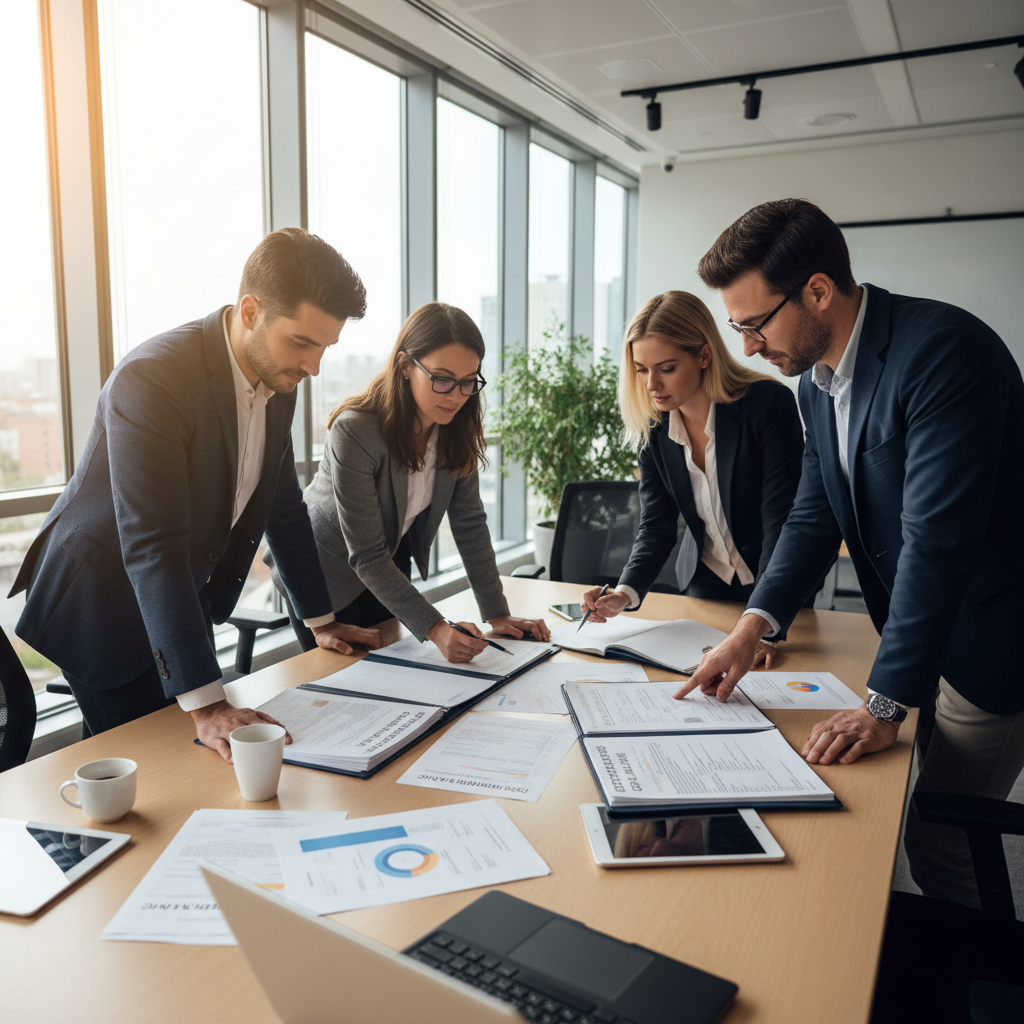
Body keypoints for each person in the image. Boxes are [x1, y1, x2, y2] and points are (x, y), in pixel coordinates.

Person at [679, 198, 1024, 907]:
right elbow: (813, 515)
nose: (746, 348)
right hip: (923, 635)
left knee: (943, 841)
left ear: (816, 291)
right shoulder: (816, 382)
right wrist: (753, 627)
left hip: (989, 636)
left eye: (753, 323)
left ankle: (973, 982)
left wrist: (883, 704)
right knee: (907, 807)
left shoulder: (941, 352)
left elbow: (938, 541)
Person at [10, 228, 384, 762]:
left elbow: (283, 510)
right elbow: (152, 542)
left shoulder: (277, 385)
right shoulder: (153, 378)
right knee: (159, 766)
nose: (313, 367)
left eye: (325, 347)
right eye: (302, 342)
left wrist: (319, 619)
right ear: (250, 311)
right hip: (100, 604)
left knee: (184, 762)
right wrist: (206, 706)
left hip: (173, 599)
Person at [269, 301, 549, 663]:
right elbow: (365, 553)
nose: (455, 396)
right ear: (405, 366)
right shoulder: (355, 431)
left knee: (397, 681)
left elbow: (469, 523)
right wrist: (436, 628)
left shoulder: (453, 431)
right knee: (344, 689)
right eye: (443, 379)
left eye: (468, 383)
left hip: (385, 574)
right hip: (323, 577)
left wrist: (498, 614)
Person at [581, 290, 806, 664]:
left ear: (704, 355)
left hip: (773, 586)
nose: (651, 384)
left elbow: (781, 525)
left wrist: (764, 627)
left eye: (666, 368)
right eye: (641, 369)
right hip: (705, 584)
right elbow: (656, 528)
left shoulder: (767, 406)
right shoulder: (653, 429)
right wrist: (623, 594)